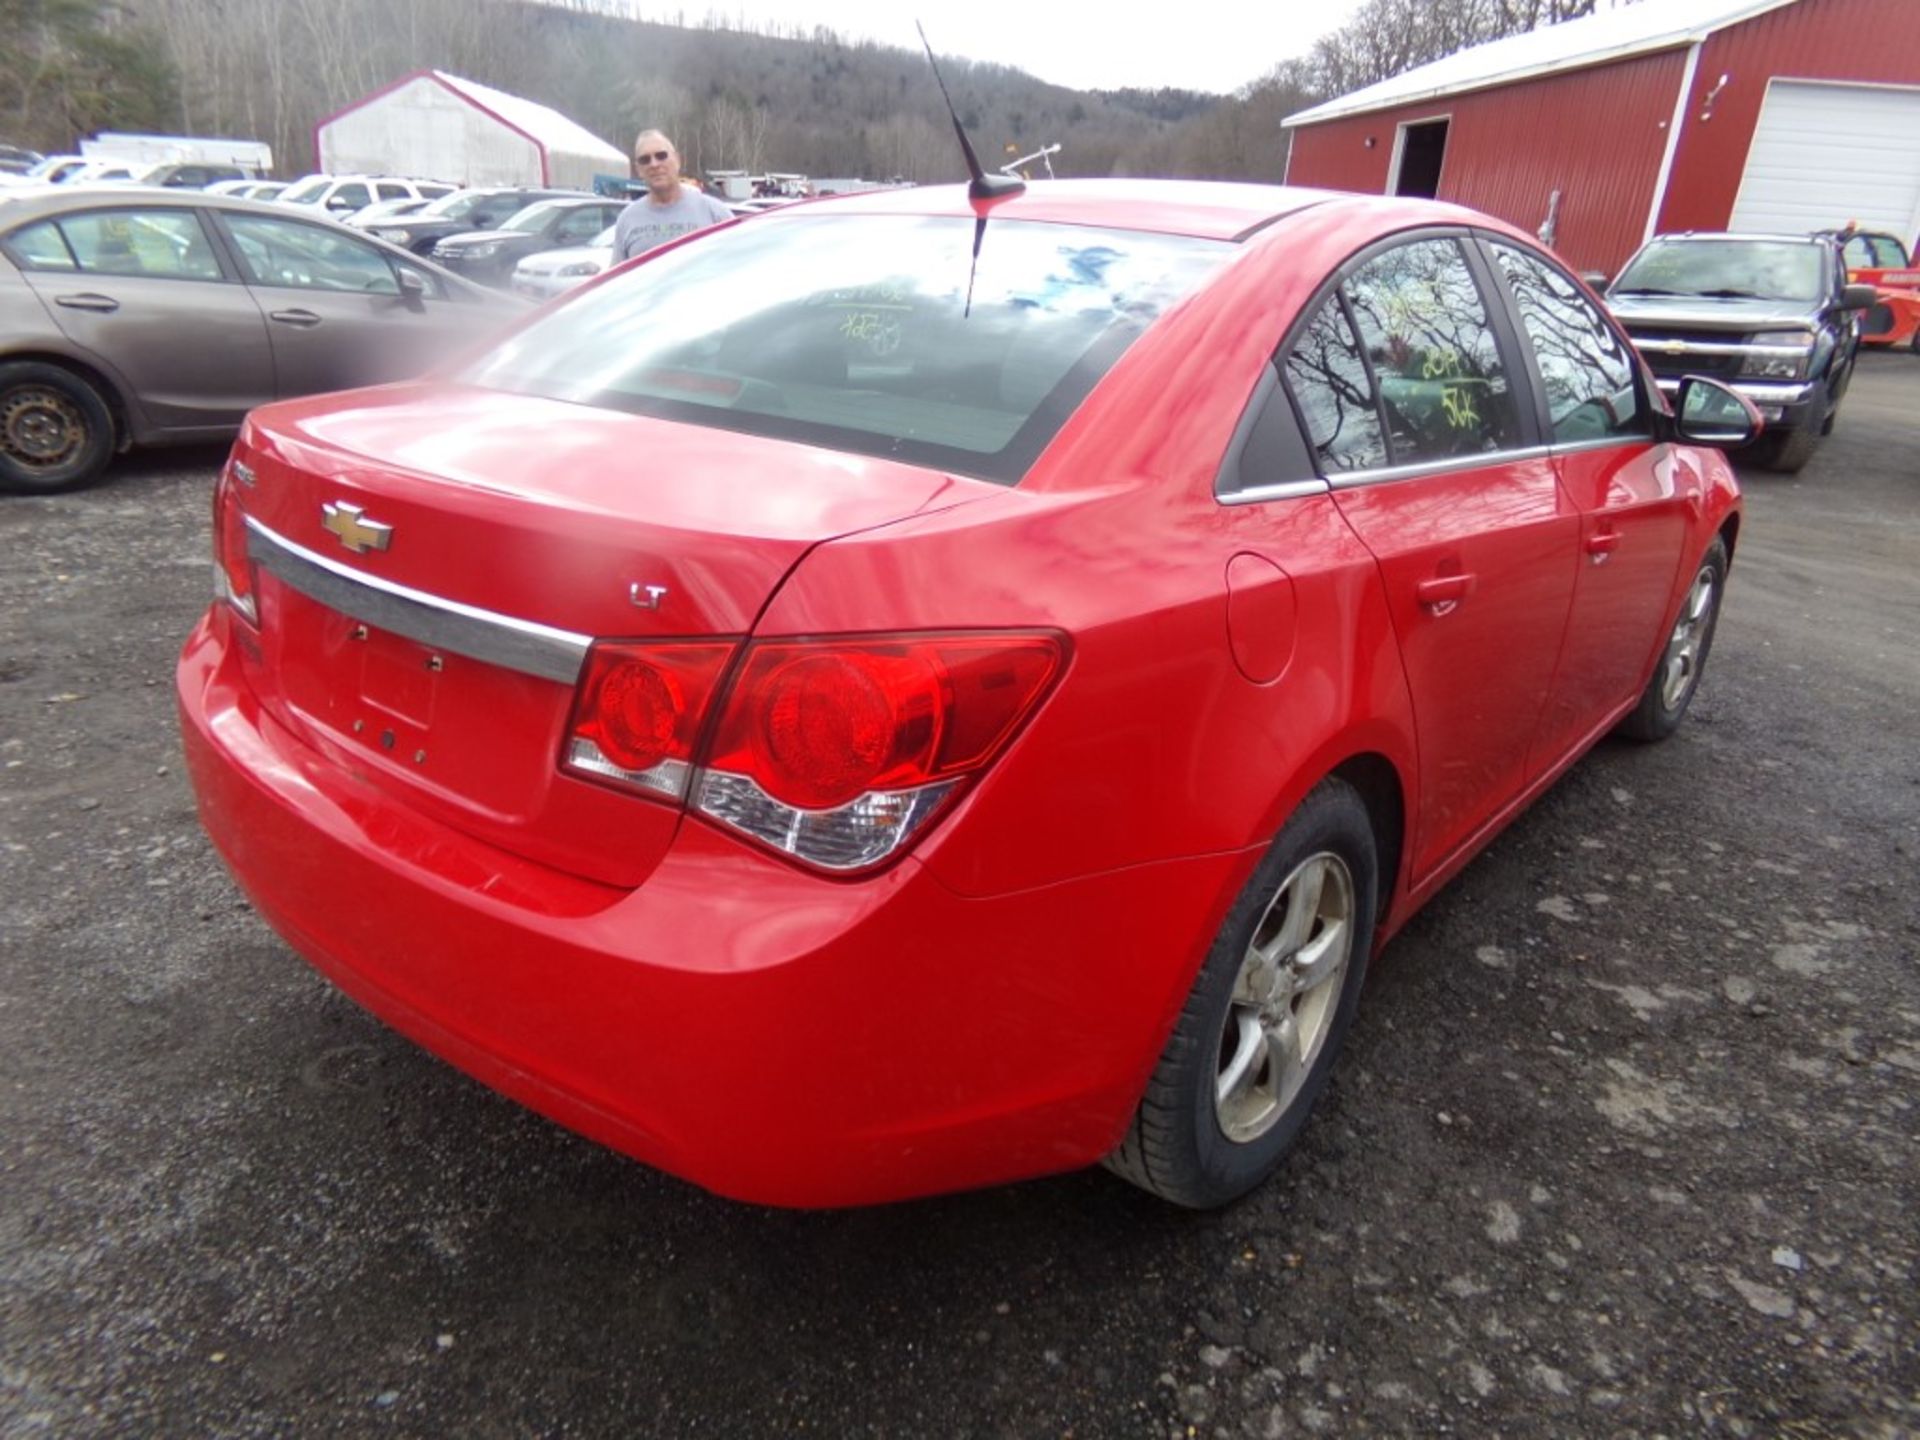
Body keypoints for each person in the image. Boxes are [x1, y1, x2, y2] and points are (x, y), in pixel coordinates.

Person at [613, 129, 732, 264]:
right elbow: (617, 280)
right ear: (638, 169)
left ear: (677, 160)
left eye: (661, 156)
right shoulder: (627, 219)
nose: (654, 164)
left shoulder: (715, 213)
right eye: (645, 160)